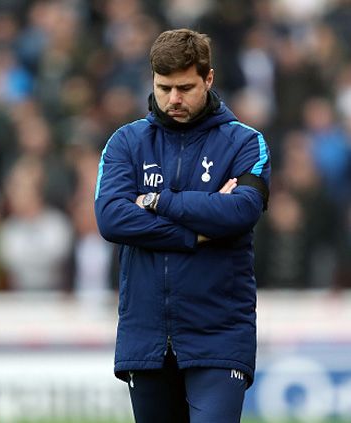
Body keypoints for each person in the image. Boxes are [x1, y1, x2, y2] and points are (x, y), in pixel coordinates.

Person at [94, 29, 271, 423]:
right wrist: (195, 231)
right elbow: (111, 218)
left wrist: (158, 202)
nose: (174, 99)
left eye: (185, 88)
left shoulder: (246, 143)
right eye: (164, 87)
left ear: (208, 79)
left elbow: (241, 211)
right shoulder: (125, 143)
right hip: (146, 336)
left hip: (219, 334)